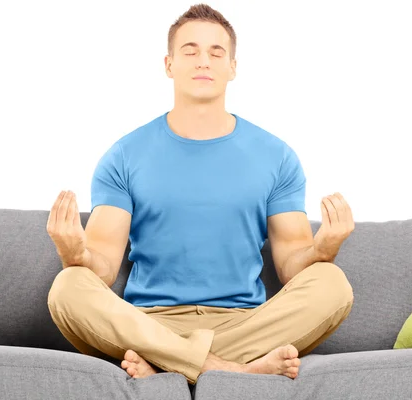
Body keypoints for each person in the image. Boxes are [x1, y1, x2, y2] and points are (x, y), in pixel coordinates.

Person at [46, 4, 354, 385]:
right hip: (149, 321)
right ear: (169, 64)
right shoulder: (124, 156)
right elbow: (104, 268)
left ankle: (168, 363)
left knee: (332, 282)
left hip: (244, 322)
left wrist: (325, 247)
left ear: (233, 67)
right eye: (190, 51)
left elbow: (291, 266)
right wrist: (72, 253)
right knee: (67, 287)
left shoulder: (277, 157)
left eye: (216, 52)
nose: (203, 61)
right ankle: (226, 369)